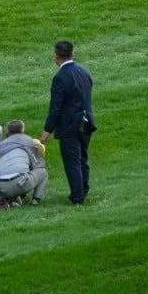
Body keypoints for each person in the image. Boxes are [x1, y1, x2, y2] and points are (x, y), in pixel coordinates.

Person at [40, 40, 95, 205]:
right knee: (83, 158)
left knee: (72, 162)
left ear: (56, 57)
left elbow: (56, 107)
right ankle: (83, 190)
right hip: (87, 122)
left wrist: (47, 130)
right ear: (73, 54)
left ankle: (77, 197)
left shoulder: (60, 78)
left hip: (70, 126)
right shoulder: (84, 72)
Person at [0, 119, 48, 206]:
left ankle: (10, 201)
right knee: (43, 173)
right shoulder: (28, 140)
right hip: (19, 183)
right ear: (23, 131)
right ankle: (35, 202)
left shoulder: (1, 145)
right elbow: (34, 165)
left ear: (7, 134)